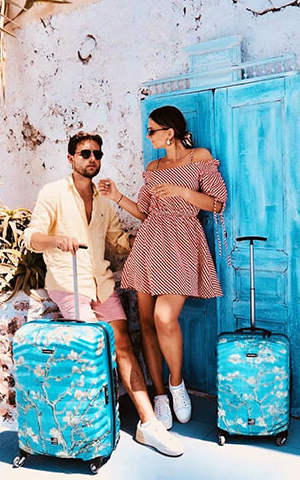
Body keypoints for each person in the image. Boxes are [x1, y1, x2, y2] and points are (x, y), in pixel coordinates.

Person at [23, 131, 184, 457]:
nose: (92, 159)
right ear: (71, 158)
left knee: (123, 343)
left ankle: (148, 424)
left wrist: (149, 239)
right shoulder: (53, 193)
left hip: (102, 284)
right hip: (69, 284)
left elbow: (118, 242)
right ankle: (94, 425)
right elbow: (32, 237)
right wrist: (57, 240)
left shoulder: (102, 200)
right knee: (94, 347)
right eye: (85, 153)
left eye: (97, 153)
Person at [98, 106, 228, 430]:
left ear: (169, 132)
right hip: (150, 244)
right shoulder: (153, 167)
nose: (148, 136)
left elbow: (218, 203)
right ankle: (159, 395)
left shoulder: (199, 157)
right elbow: (144, 212)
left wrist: (182, 192)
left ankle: (176, 383)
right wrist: (117, 196)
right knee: (146, 322)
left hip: (183, 242)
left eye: (152, 130)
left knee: (164, 317)